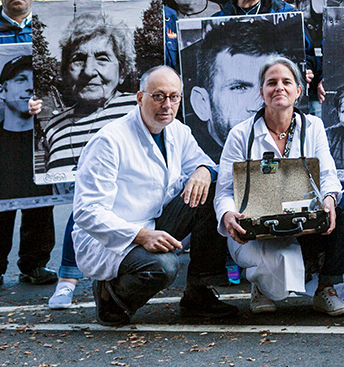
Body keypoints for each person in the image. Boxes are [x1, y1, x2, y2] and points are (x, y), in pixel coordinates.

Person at [72, 66, 236, 326]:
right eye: (158, 96)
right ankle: (110, 296)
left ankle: (199, 294)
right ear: (140, 98)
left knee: (212, 191)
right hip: (114, 237)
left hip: (155, 221)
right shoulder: (110, 141)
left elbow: (203, 162)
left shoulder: (177, 131)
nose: (167, 105)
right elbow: (87, 211)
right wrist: (141, 236)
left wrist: (204, 171)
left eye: (174, 97)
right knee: (165, 266)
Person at [217, 57, 344, 316]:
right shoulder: (240, 135)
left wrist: (329, 199)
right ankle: (261, 287)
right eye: (271, 83)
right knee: (272, 277)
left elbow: (328, 175)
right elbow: (224, 190)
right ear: (261, 92)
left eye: (286, 82)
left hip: (303, 222)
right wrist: (227, 215)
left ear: (299, 91)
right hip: (259, 228)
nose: (279, 87)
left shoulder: (313, 126)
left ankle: (326, 288)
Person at [0, 56, 57, 292]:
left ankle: (35, 266)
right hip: (3, 153)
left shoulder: (50, 140)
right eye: (21, 79)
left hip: (35, 149)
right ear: (2, 91)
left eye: (34, 80)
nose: (29, 86)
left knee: (41, 208)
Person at [36, 13, 140, 179]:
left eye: (102, 59)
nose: (89, 71)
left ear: (122, 71)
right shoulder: (54, 127)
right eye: (78, 59)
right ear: (65, 72)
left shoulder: (140, 109)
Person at [188, 17, 289, 160]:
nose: (258, 105)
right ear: (202, 104)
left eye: (270, 84)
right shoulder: (191, 160)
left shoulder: (298, 139)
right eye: (239, 88)